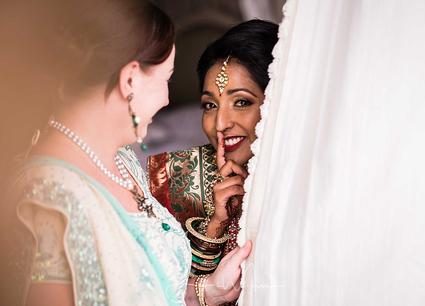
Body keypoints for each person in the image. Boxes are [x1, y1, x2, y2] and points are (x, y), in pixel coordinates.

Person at [9, 1, 251, 305]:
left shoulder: (121, 161)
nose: (166, 99)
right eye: (166, 80)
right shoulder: (51, 199)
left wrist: (206, 290)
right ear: (130, 80)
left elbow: (148, 288)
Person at [148, 20, 278, 275]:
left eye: (241, 102)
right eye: (210, 105)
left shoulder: (313, 182)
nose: (220, 124)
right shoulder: (177, 179)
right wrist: (216, 225)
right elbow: (163, 291)